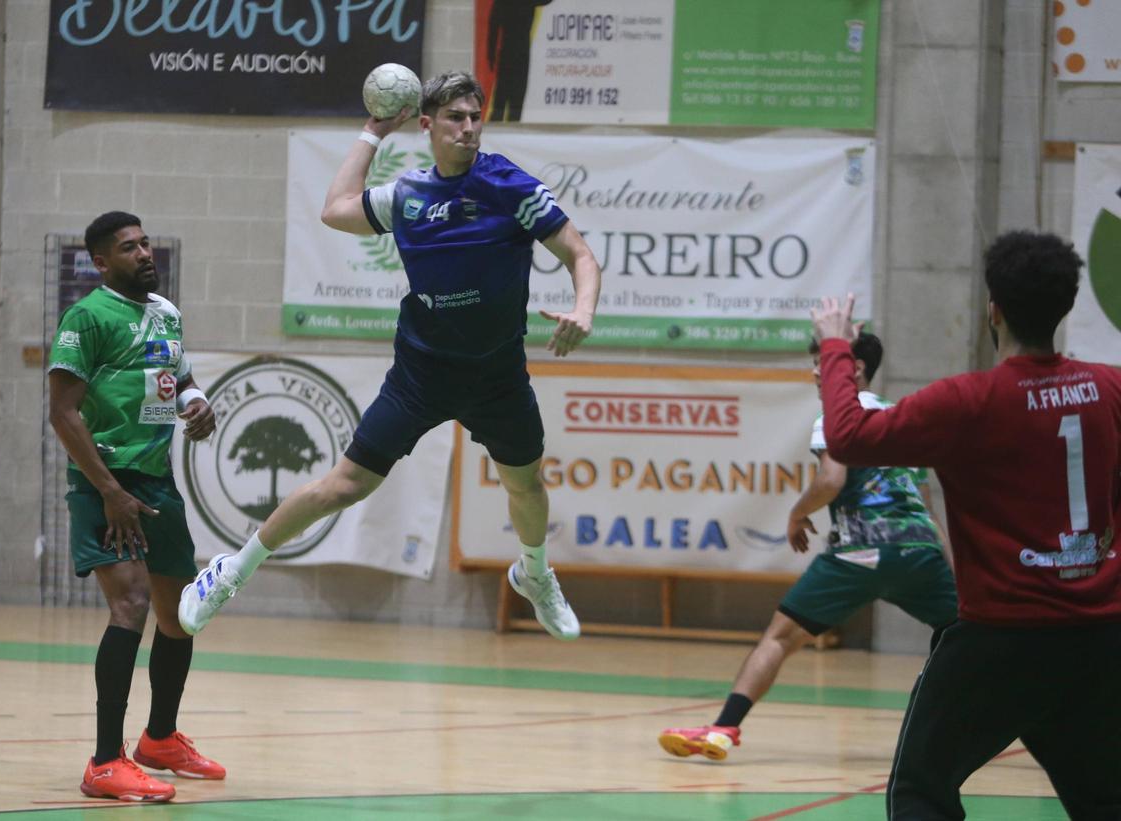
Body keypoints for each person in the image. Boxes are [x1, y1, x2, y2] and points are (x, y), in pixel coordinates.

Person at [178, 71, 601, 640]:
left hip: (497, 374)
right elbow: (334, 209)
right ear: (426, 125)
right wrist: (373, 132)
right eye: (455, 117)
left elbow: (578, 252)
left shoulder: (509, 186)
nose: (469, 127)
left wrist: (584, 310)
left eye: (476, 116)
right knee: (345, 484)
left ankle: (534, 573)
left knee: (524, 484)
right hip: (421, 374)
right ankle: (230, 572)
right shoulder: (407, 196)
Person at [811, 231, 1121, 820]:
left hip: (1001, 641)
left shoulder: (967, 401)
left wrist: (835, 349)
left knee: (921, 790)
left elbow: (848, 437)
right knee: (1104, 799)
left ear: (993, 309)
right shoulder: (1110, 387)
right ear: (1067, 307)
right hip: (1101, 639)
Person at [658, 333, 958, 762]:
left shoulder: (838, 414)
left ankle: (723, 729)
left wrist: (797, 514)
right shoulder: (902, 421)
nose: (817, 371)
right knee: (968, 636)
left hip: (860, 552)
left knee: (779, 638)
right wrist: (956, 579)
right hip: (919, 553)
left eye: (824, 362)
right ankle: (1019, 722)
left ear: (852, 369)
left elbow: (831, 481)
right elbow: (929, 516)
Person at [48, 211, 225, 803]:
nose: (144, 252)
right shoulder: (87, 315)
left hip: (155, 481)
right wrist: (109, 492)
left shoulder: (166, 313)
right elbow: (63, 413)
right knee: (130, 605)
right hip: (106, 482)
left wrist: (198, 403)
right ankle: (103, 761)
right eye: (129, 247)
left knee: (179, 616)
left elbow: (181, 376)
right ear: (102, 262)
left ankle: (160, 738)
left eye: (145, 242)